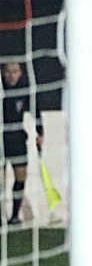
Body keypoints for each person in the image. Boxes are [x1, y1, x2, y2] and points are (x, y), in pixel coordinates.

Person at [1, 62, 44, 225]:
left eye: (15, 71)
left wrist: (40, 133)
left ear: (20, 73)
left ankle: (14, 216)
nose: (12, 75)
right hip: (0, 140)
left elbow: (36, 111)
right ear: (3, 73)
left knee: (21, 176)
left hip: (17, 139)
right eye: (8, 72)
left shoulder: (25, 90)